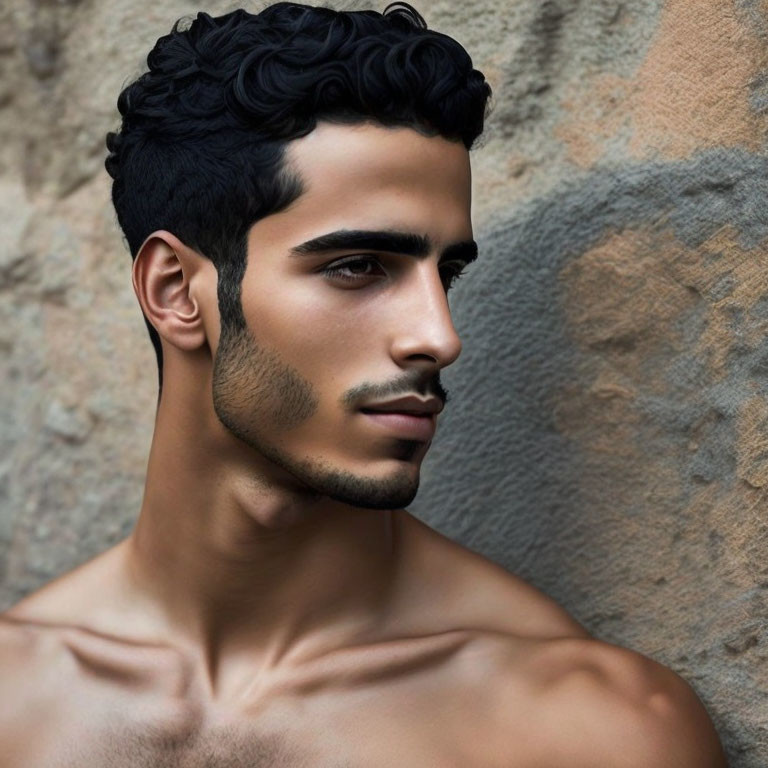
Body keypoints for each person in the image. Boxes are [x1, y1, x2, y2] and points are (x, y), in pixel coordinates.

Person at [0, 3, 727, 765]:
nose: (440, 337)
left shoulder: (590, 730)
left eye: (445, 273)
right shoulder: (19, 699)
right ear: (178, 291)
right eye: (359, 267)